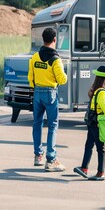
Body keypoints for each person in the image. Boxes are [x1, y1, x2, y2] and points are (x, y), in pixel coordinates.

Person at [28, 27, 67, 172]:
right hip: (50, 93)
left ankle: (38, 156)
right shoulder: (55, 60)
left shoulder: (34, 57)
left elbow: (30, 78)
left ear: (43, 39)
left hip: (37, 92)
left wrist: (36, 87)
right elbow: (62, 80)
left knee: (37, 123)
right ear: (55, 40)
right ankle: (51, 159)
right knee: (52, 125)